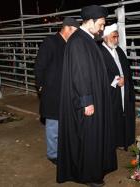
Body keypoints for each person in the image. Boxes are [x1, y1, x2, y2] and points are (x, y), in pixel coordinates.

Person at [57, 5, 117, 186]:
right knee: (90, 138)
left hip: (94, 97)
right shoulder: (78, 41)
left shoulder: (88, 39)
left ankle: (97, 169)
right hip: (88, 101)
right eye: (100, 24)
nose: (102, 28)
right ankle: (91, 176)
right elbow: (80, 74)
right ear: (90, 21)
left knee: (95, 136)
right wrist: (87, 101)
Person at [34, 17, 79, 165]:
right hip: (52, 91)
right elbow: (39, 65)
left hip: (66, 92)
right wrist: (40, 86)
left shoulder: (70, 44)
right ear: (67, 28)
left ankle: (64, 150)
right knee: (53, 124)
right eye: (75, 32)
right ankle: (53, 154)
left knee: (65, 123)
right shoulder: (50, 42)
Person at [99, 23, 135, 151]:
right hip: (111, 91)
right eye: (114, 37)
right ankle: (113, 142)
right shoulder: (99, 53)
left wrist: (125, 78)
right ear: (105, 37)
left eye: (117, 37)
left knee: (124, 113)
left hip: (123, 89)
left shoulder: (118, 50)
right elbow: (99, 73)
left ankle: (124, 140)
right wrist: (115, 81)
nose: (116, 39)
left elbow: (126, 69)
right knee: (113, 116)